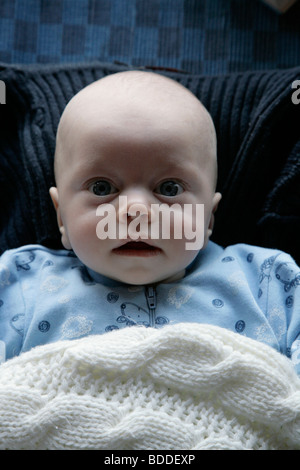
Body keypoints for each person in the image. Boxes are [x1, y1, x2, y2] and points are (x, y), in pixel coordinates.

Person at [0, 71, 299, 373]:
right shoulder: (19, 285)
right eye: (102, 188)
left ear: (208, 218)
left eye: (169, 189)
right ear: (61, 216)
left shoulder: (268, 283)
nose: (137, 211)